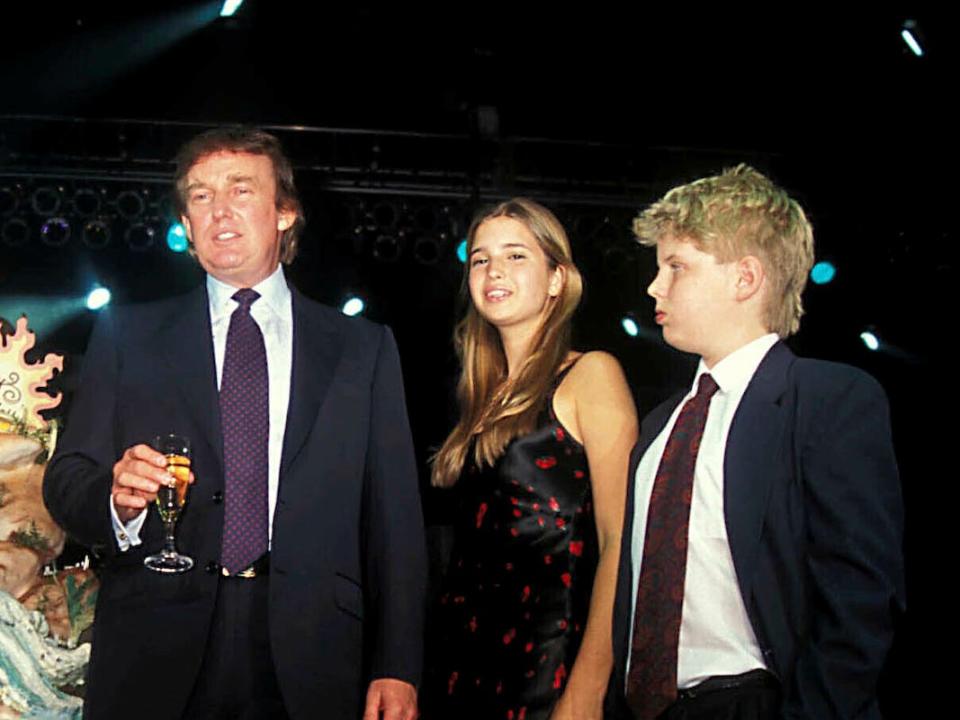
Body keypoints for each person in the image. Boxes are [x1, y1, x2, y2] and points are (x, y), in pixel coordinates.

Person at [42, 127, 427, 720]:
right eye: (199, 196)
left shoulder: (362, 348)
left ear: (285, 212)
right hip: (154, 646)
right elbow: (68, 478)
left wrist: (398, 664)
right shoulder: (128, 336)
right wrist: (115, 500)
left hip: (313, 649)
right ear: (187, 225)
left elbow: (395, 521)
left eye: (241, 189)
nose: (219, 209)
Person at [609, 165, 905, 719]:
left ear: (745, 278)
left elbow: (860, 600)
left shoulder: (825, 399)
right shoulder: (658, 427)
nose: (654, 286)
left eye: (677, 266)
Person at [424, 198, 638, 719]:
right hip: (462, 670)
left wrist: (586, 692)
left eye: (516, 255)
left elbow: (621, 544)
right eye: (480, 258)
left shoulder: (591, 374)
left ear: (557, 279)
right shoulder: (480, 397)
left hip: (547, 672)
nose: (493, 269)